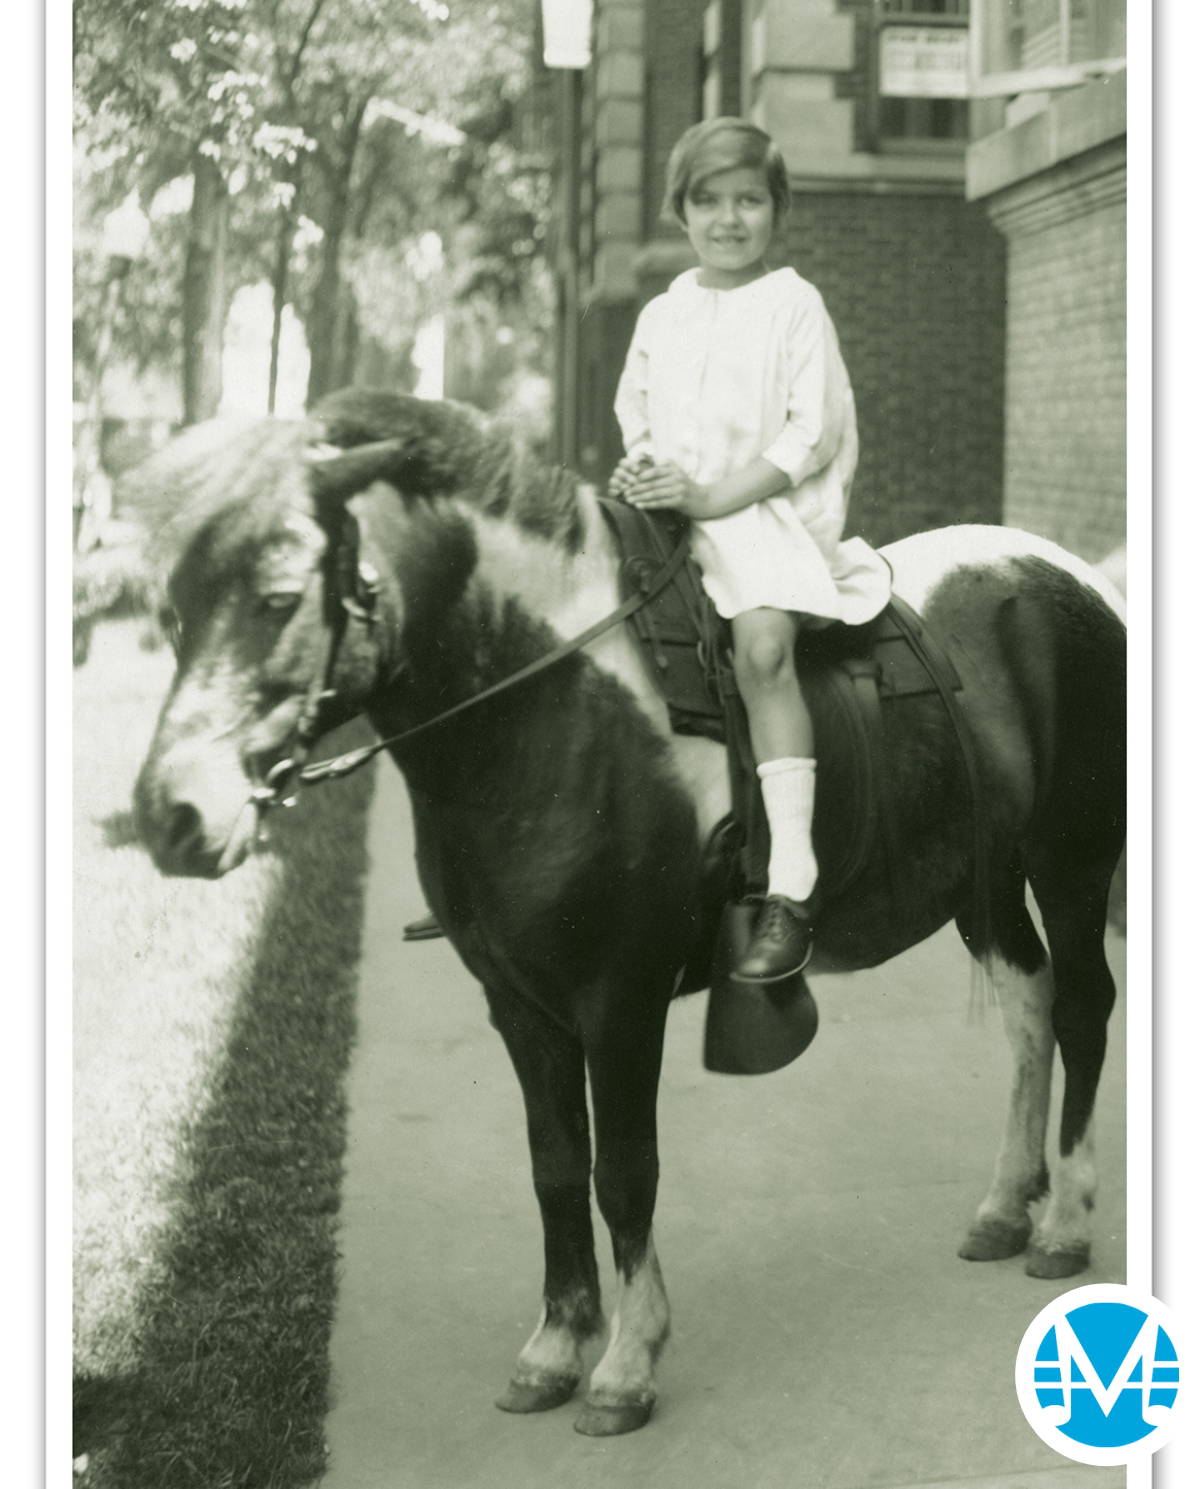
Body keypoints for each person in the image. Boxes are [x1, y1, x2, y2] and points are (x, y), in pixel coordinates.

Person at [611, 116, 892, 984]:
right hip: (676, 515)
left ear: (777, 209)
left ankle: (792, 878)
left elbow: (810, 435)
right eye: (708, 201)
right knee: (592, 634)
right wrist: (647, 471)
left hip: (762, 512)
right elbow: (639, 414)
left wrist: (709, 497)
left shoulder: (793, 304)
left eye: (749, 201)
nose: (729, 220)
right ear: (680, 212)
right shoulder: (665, 311)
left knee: (762, 647)